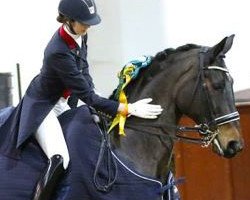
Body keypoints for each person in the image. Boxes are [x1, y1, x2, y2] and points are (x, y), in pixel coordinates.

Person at [0, 0, 163, 199]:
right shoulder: (57, 51)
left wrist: (98, 92)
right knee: (60, 157)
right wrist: (127, 108)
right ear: (68, 20)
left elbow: (84, 72)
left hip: (65, 101)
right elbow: (88, 96)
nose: (88, 26)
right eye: (84, 22)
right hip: (44, 107)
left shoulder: (79, 36)